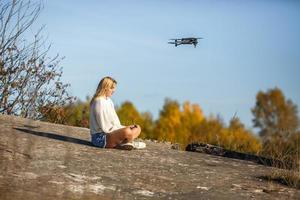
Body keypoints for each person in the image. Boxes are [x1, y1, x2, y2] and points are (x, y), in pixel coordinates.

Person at [89, 76, 145, 150]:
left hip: (111, 132)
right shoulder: (99, 102)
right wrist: (124, 129)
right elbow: (105, 127)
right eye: (112, 88)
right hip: (100, 138)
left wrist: (123, 127)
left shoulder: (109, 101)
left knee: (137, 128)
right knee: (127, 132)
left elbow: (115, 122)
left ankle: (125, 143)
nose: (114, 90)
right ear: (105, 88)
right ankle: (129, 142)